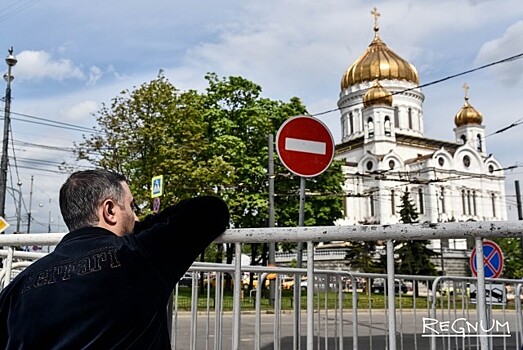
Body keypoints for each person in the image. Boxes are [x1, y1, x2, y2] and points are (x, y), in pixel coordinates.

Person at [0, 169, 230, 349]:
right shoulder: (137, 256)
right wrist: (139, 229)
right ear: (109, 211)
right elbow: (211, 210)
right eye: (131, 206)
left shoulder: (19, 286)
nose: (135, 216)